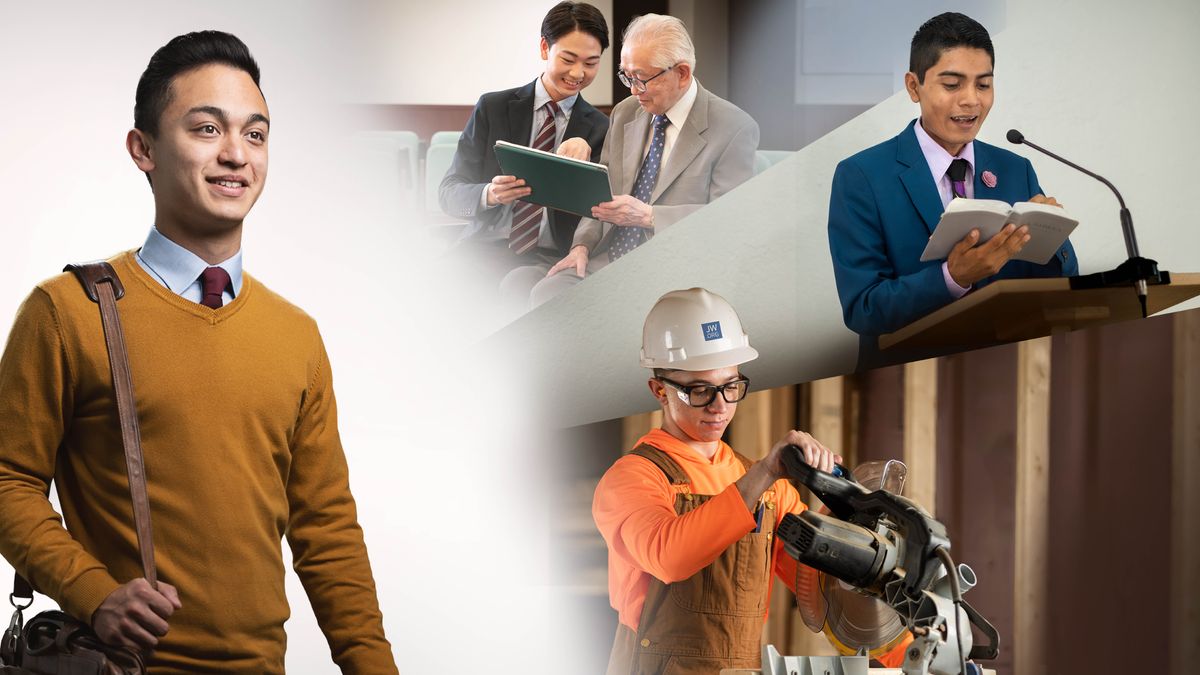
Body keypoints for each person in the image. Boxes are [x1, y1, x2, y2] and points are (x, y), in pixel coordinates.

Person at [0, 31, 396, 674]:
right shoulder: (68, 312)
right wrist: (92, 592)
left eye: (255, 134)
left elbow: (326, 529)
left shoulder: (296, 334)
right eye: (207, 129)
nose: (235, 154)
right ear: (144, 149)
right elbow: (7, 480)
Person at [592, 288, 905, 675]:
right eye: (700, 391)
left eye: (731, 386)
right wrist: (765, 473)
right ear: (660, 391)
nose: (720, 405)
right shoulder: (633, 478)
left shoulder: (769, 491)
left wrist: (920, 652)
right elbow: (669, 557)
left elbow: (821, 586)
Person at [827, 12, 1079, 370]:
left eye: (983, 85)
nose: (971, 100)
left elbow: (1058, 285)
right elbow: (863, 308)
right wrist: (952, 277)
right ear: (913, 87)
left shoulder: (1015, 168)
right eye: (952, 85)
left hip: (1005, 370)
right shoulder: (861, 176)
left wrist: (1052, 234)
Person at [516, 15, 759, 307]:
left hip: (673, 270)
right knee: (535, 289)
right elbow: (600, 198)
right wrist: (581, 246)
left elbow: (730, 220)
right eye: (627, 76)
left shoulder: (733, 127)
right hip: (608, 261)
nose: (633, 90)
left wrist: (649, 216)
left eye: (641, 79)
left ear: (682, 73)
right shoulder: (625, 113)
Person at [439, 1, 610, 304]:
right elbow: (449, 193)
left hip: (549, 257)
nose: (578, 73)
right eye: (568, 59)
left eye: (591, 63)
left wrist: (586, 161)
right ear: (545, 48)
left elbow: (600, 212)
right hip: (484, 247)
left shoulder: (601, 129)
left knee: (518, 291)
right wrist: (489, 194)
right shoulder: (493, 108)